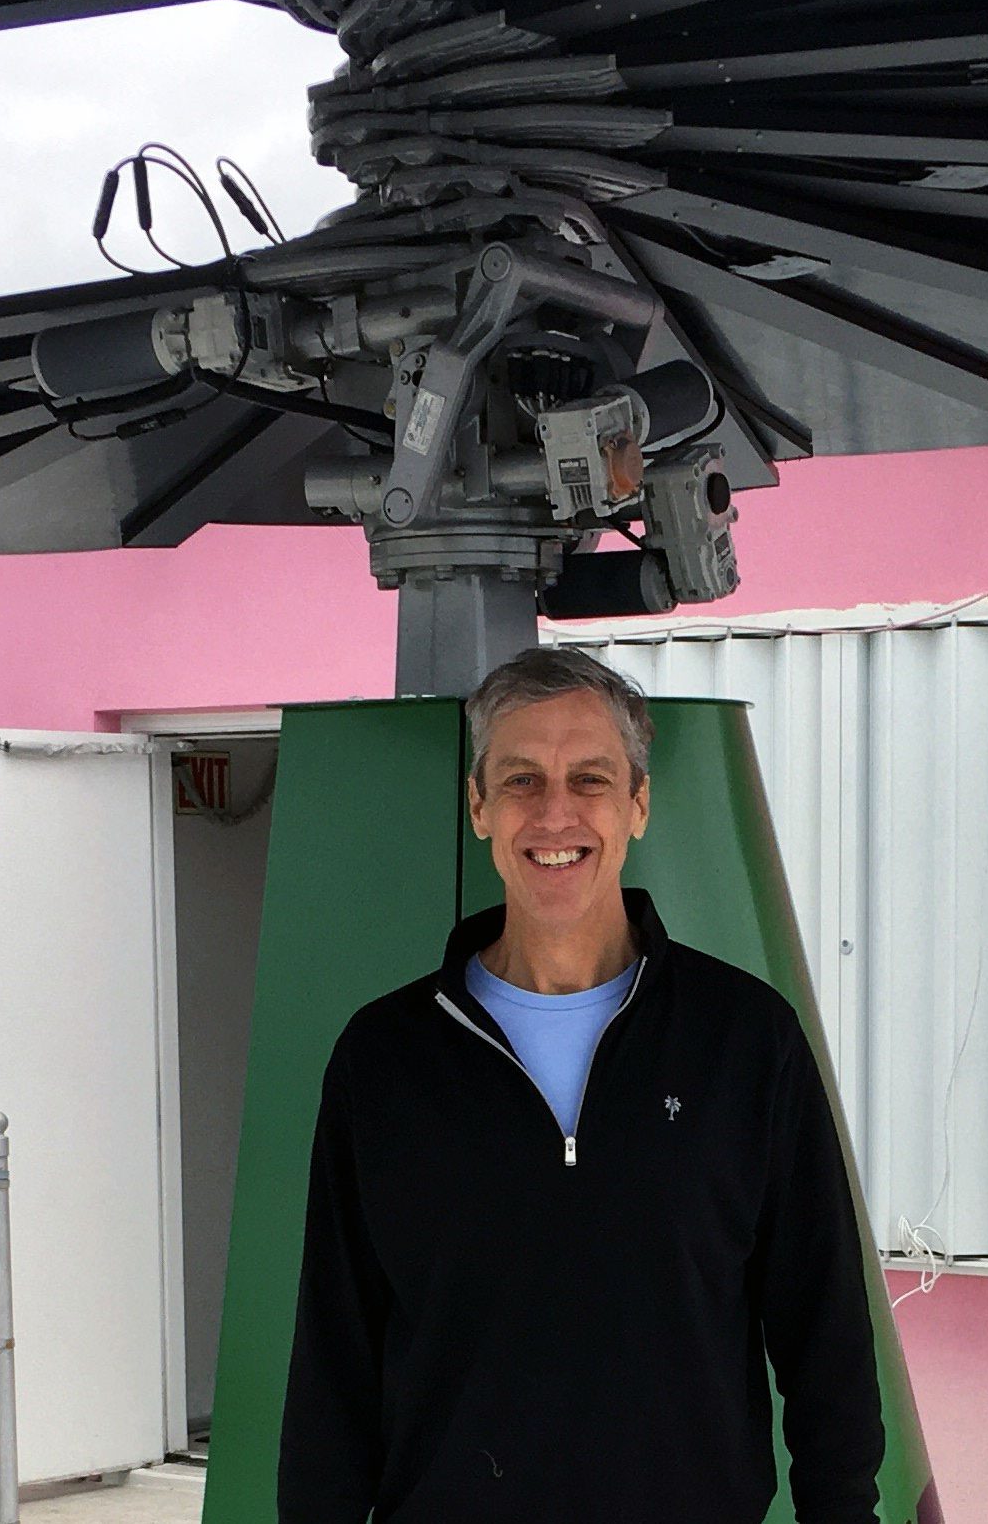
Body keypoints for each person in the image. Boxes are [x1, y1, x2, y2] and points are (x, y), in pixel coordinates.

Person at [279, 645, 888, 1522]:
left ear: (638, 804)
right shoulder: (385, 1061)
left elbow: (824, 1329)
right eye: (522, 780)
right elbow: (334, 1362)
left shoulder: (745, 1041)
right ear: (479, 806)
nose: (555, 815)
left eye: (590, 780)